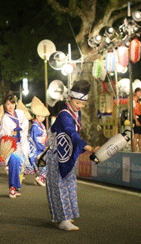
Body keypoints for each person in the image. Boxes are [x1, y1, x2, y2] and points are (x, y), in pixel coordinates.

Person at [45, 80, 99, 231]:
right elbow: (71, 133)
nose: (80, 106)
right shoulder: (64, 115)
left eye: (83, 103)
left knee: (69, 184)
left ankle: (68, 215)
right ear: (69, 98)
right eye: (77, 102)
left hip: (67, 153)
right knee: (59, 186)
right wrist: (89, 147)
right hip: (57, 154)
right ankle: (63, 219)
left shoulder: (76, 112)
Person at [0, 91, 28, 198]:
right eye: (8, 104)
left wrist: (21, 128)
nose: (10, 106)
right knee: (14, 160)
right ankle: (12, 187)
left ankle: (16, 188)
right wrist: (12, 132)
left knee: (20, 165)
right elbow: (3, 133)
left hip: (21, 144)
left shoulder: (20, 113)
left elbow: (25, 123)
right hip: (11, 146)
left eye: (12, 103)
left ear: (15, 104)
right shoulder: (5, 118)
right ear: (5, 106)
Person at [29, 97, 50, 187]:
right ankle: (40, 177)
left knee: (45, 162)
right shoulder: (35, 126)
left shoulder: (41, 125)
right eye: (41, 116)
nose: (43, 118)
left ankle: (39, 178)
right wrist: (42, 147)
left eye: (43, 117)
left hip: (42, 147)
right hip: (37, 148)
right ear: (37, 116)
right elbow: (34, 140)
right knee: (45, 162)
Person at [132, 88, 141, 153]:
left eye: (140, 92)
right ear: (136, 92)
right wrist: (136, 120)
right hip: (136, 118)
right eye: (139, 92)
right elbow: (133, 111)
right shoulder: (133, 100)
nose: (140, 93)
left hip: (140, 118)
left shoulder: (138, 101)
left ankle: (140, 150)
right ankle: (135, 150)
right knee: (136, 135)